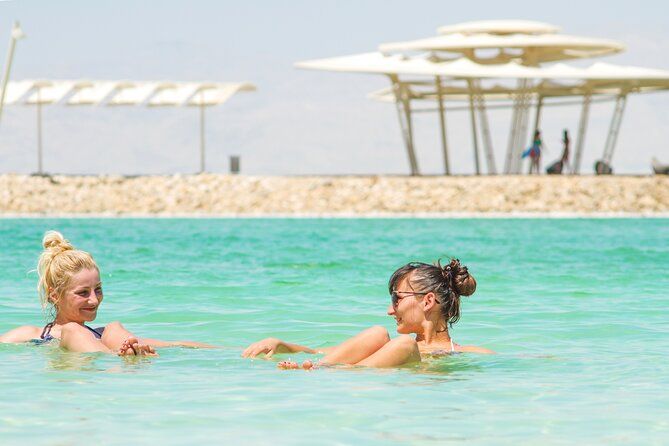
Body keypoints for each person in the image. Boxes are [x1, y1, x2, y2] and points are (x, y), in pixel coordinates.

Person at [242, 259, 494, 369]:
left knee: (404, 347)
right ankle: (319, 372)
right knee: (378, 334)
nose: (389, 309)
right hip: (339, 371)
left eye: (397, 299)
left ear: (428, 301)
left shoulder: (468, 354)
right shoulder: (384, 345)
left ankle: (320, 373)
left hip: (356, 377)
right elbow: (323, 353)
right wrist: (281, 344)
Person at [0, 231, 211, 355]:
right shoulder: (31, 335)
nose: (94, 300)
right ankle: (120, 358)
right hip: (82, 377)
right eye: (83, 292)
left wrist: (235, 351)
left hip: (106, 360)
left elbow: (176, 345)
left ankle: (127, 356)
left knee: (113, 328)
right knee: (73, 330)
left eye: (98, 289)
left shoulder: (106, 334)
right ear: (54, 295)